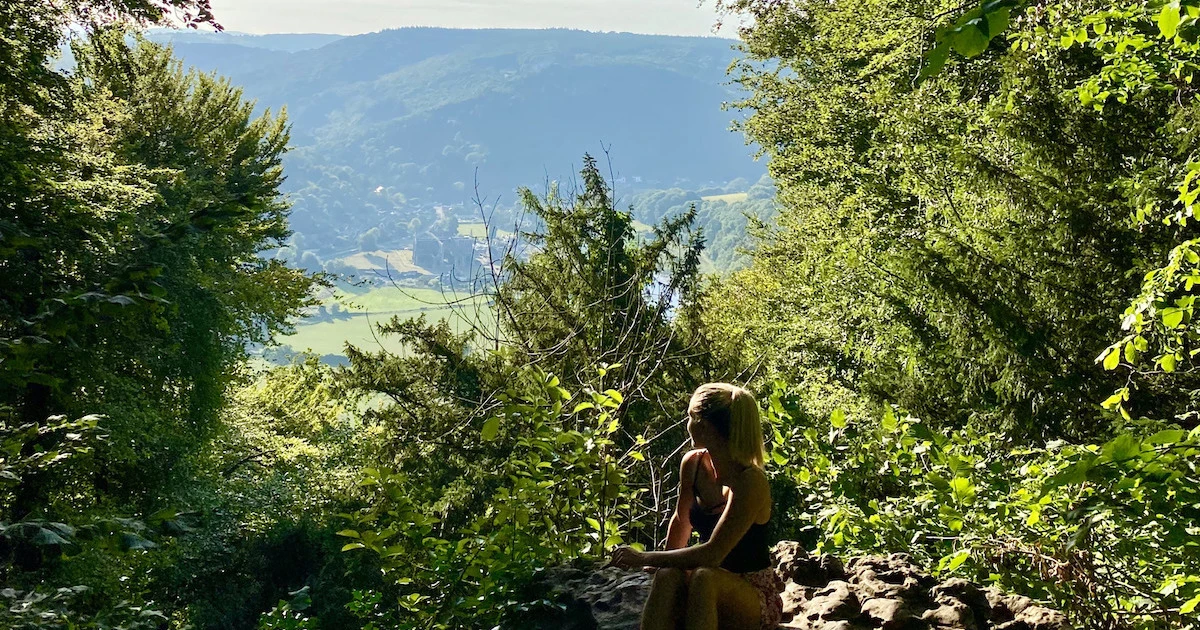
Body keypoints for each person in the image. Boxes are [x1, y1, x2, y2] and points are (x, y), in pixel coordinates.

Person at [610, 383, 783, 630]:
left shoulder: (750, 481)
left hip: (751, 592)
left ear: (707, 426)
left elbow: (714, 554)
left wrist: (644, 558)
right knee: (669, 575)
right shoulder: (693, 463)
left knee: (704, 578)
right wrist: (662, 566)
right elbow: (682, 521)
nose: (687, 424)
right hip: (709, 578)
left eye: (691, 417)